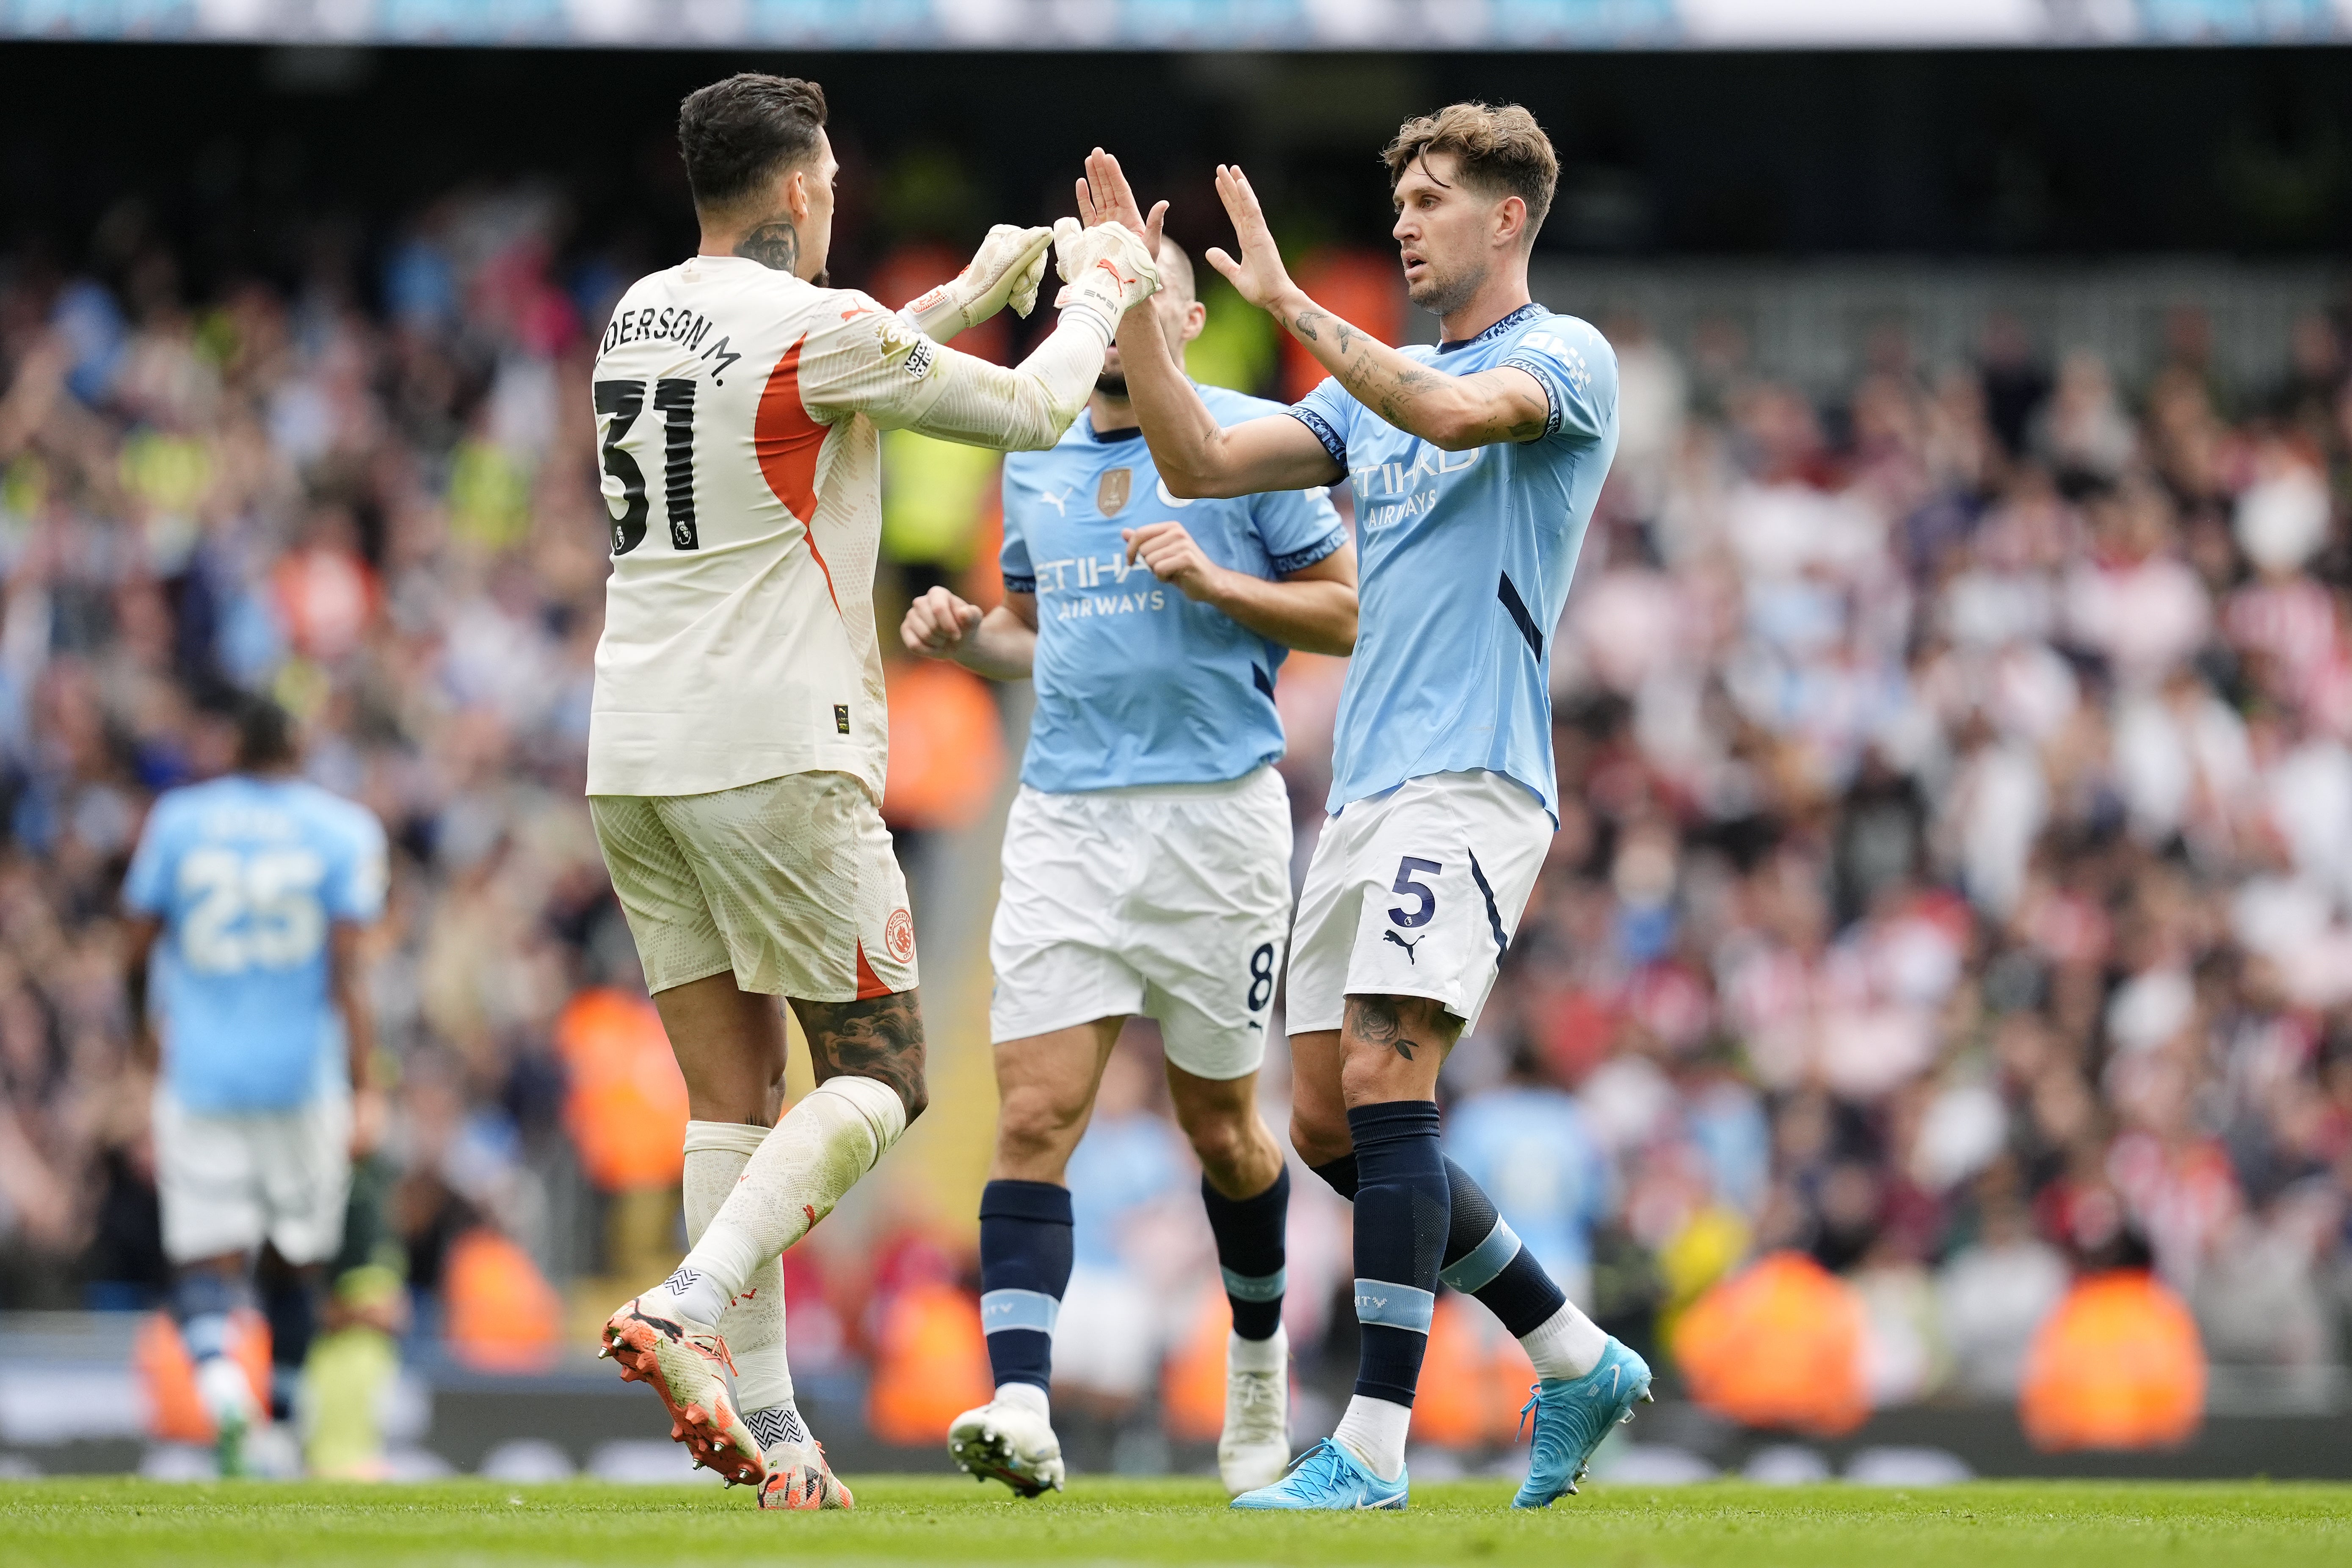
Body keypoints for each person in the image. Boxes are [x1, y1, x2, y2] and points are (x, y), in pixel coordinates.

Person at [581, 72, 1161, 1512]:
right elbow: (1031, 409)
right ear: (793, 189)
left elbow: (806, 381)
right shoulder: (815, 325)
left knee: (730, 1094)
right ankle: (692, 1299)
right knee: (883, 1075)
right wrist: (1098, 284)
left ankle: (773, 1435)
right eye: (829, 175)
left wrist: (962, 288)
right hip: (772, 746)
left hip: (632, 751)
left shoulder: (640, 311)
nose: (838, 194)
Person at [1084, 102, 1649, 1511]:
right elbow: (1202, 464)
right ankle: (1573, 1355)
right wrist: (1139, 319)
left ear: (1507, 217)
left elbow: (1450, 410)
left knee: (1395, 1085)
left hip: (1472, 782)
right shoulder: (1363, 391)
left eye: (1431, 198)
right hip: (1359, 798)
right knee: (1333, 1127)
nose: (1401, 221)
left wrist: (1285, 305)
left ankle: (1372, 1448)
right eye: (1395, 199)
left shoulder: (1557, 357)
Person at [900, 234, 1356, 1496]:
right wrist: (964, 637)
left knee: (1222, 1129)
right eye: (1082, 293)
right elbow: (1041, 636)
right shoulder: (1034, 453)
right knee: (1037, 1117)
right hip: (1065, 822)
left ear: (1189, 319)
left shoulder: (1251, 442)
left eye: (1132, 291)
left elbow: (1343, 608)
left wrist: (1212, 579)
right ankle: (1021, 1403)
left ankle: (1256, 1365)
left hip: (1215, 828)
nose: (1100, 315)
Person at [121, 696, 388, 1478]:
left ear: (233, 744)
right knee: (296, 1258)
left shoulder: (178, 820)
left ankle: (224, 1398)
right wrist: (366, 1083)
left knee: (206, 1259)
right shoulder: (342, 828)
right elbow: (349, 969)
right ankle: (280, 1420)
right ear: (298, 745)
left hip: (199, 1068)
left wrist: (143, 1035)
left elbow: (135, 946)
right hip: (301, 1073)